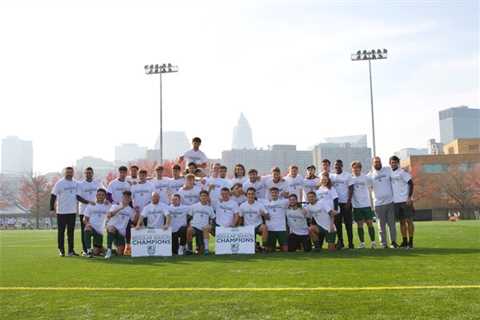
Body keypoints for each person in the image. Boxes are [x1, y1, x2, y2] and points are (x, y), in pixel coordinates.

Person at [50, 167, 93, 257]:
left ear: (73, 173)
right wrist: (52, 209)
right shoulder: (59, 183)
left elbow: (79, 195)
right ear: (64, 173)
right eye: (67, 172)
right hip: (61, 212)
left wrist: (89, 201)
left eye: (71, 172)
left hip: (72, 211)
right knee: (61, 232)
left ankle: (71, 251)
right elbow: (53, 195)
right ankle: (61, 250)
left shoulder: (76, 183)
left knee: (71, 232)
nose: (69, 173)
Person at [368, 157, 398, 249]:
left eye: (379, 161)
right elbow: (368, 188)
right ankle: (383, 244)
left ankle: (393, 242)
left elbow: (396, 173)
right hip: (378, 204)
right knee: (381, 226)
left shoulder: (387, 170)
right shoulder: (370, 175)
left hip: (390, 202)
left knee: (392, 224)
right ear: (373, 163)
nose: (377, 163)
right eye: (375, 162)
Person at [348, 161, 376, 249]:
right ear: (352, 169)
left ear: (360, 168)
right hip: (356, 206)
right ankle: (362, 243)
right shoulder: (351, 178)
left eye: (357, 167)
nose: (355, 169)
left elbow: (373, 186)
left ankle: (373, 242)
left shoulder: (366, 177)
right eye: (354, 168)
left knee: (370, 224)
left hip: (366, 205)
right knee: (360, 225)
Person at [77, 167, 104, 255]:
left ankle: (97, 248)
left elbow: (104, 192)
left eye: (90, 173)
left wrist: (106, 200)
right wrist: (88, 202)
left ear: (93, 173)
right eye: (87, 173)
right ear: (84, 174)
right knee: (85, 230)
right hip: (84, 211)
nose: (88, 174)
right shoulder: (80, 184)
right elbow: (78, 197)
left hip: (96, 211)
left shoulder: (97, 183)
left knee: (98, 229)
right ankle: (85, 250)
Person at [389, 155, 415, 249]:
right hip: (396, 201)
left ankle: (411, 241)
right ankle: (404, 241)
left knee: (409, 221)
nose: (393, 164)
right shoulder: (390, 173)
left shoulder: (403, 172)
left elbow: (411, 183)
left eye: (395, 162)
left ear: (398, 163)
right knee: (402, 222)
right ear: (390, 164)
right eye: (392, 162)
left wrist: (409, 197)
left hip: (405, 201)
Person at [127, 169, 154, 255]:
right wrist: (134, 207)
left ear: (146, 176)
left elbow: (154, 198)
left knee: (147, 229)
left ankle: (147, 247)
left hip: (148, 212)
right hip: (137, 212)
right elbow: (130, 199)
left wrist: (149, 205)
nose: (142, 177)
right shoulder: (134, 186)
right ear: (138, 176)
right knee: (134, 229)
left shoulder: (151, 185)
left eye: (143, 175)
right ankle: (133, 248)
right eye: (140, 175)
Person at [105, 191, 138, 259]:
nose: (126, 199)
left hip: (121, 233)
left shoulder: (131, 210)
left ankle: (106, 250)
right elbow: (109, 215)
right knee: (111, 228)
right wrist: (121, 207)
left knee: (120, 252)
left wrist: (137, 213)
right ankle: (108, 250)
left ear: (130, 199)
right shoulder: (115, 206)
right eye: (125, 197)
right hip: (112, 229)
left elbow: (134, 221)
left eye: (128, 198)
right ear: (122, 198)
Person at [330, 160, 354, 249]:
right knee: (338, 224)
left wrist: (349, 201)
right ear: (334, 166)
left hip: (346, 203)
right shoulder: (332, 176)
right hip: (336, 204)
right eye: (336, 165)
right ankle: (340, 242)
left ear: (342, 165)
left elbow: (351, 188)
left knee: (348, 224)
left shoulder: (347, 175)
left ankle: (351, 243)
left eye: (339, 165)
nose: (337, 166)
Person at [238, 187, 269, 252]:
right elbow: (240, 217)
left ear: (254, 195)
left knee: (264, 227)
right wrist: (239, 227)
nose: (250, 195)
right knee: (252, 249)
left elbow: (268, 217)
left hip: (258, 226)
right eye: (249, 194)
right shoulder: (242, 205)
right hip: (248, 227)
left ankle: (264, 246)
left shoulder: (260, 204)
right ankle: (256, 246)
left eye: (252, 194)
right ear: (246, 195)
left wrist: (264, 214)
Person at [83, 188, 110, 258]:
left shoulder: (108, 206)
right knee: (87, 229)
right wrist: (87, 224)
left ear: (105, 196)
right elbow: (84, 219)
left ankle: (105, 250)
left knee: (96, 252)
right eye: (99, 195)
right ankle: (88, 251)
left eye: (102, 195)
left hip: (100, 232)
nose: (100, 196)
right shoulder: (91, 205)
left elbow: (112, 215)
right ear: (96, 195)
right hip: (91, 228)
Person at [187, 190, 215, 255]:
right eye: (202, 196)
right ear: (199, 197)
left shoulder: (210, 208)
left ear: (208, 197)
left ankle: (206, 249)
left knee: (200, 252)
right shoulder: (194, 206)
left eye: (205, 196)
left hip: (204, 229)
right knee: (189, 230)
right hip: (194, 227)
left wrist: (210, 225)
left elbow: (213, 219)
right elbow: (188, 217)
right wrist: (189, 225)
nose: (203, 197)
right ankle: (190, 249)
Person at [264, 187, 289, 252]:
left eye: (275, 193)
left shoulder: (284, 202)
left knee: (285, 250)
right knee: (271, 250)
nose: (274, 194)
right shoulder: (265, 202)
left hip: (281, 228)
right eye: (272, 193)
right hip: (270, 229)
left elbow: (293, 200)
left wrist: (286, 195)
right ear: (270, 194)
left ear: (278, 193)